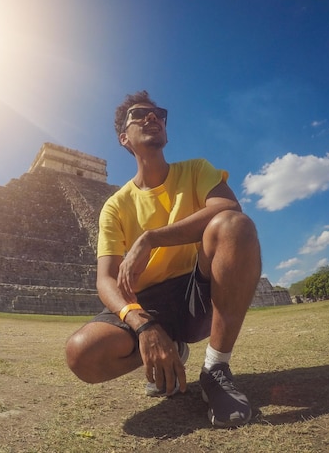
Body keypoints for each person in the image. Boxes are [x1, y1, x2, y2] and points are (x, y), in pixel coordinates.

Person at [65, 90, 262, 428]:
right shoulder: (115, 205)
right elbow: (105, 279)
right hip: (148, 303)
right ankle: (171, 343)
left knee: (234, 226)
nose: (152, 117)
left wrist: (151, 238)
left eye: (158, 113)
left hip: (197, 291)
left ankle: (216, 368)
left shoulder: (197, 169)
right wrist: (142, 324)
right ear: (124, 139)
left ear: (166, 131)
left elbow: (229, 209)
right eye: (139, 113)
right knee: (81, 353)